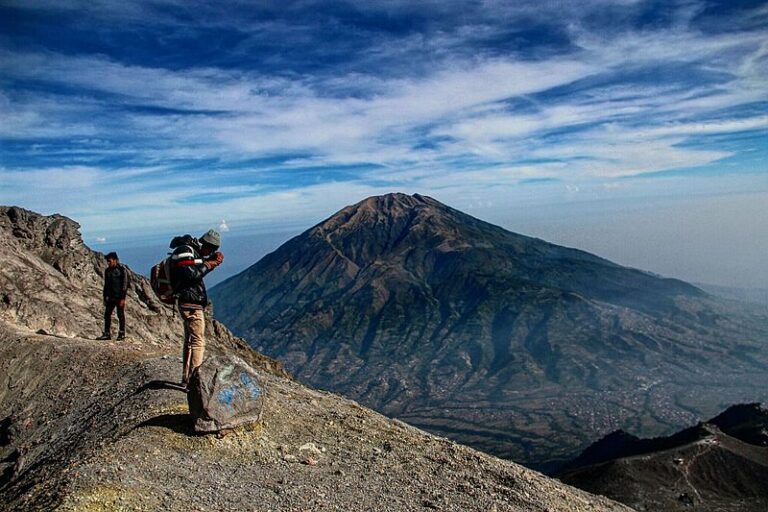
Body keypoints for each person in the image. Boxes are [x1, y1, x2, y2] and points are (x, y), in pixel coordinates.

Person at [170, 229, 224, 387]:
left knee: (189, 341)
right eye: (211, 249)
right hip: (190, 303)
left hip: (186, 301)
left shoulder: (190, 252)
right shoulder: (186, 252)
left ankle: (186, 378)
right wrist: (209, 264)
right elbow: (190, 275)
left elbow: (193, 269)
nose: (210, 252)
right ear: (207, 245)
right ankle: (194, 382)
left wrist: (208, 262)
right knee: (198, 341)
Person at [98, 252, 129, 341]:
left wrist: (123, 298)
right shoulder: (107, 271)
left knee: (120, 315)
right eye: (107, 261)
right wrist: (105, 297)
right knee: (107, 314)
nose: (108, 263)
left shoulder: (122, 270)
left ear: (115, 260)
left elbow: (125, 284)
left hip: (119, 296)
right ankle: (107, 334)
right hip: (110, 297)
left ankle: (122, 334)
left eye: (109, 261)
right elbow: (106, 285)